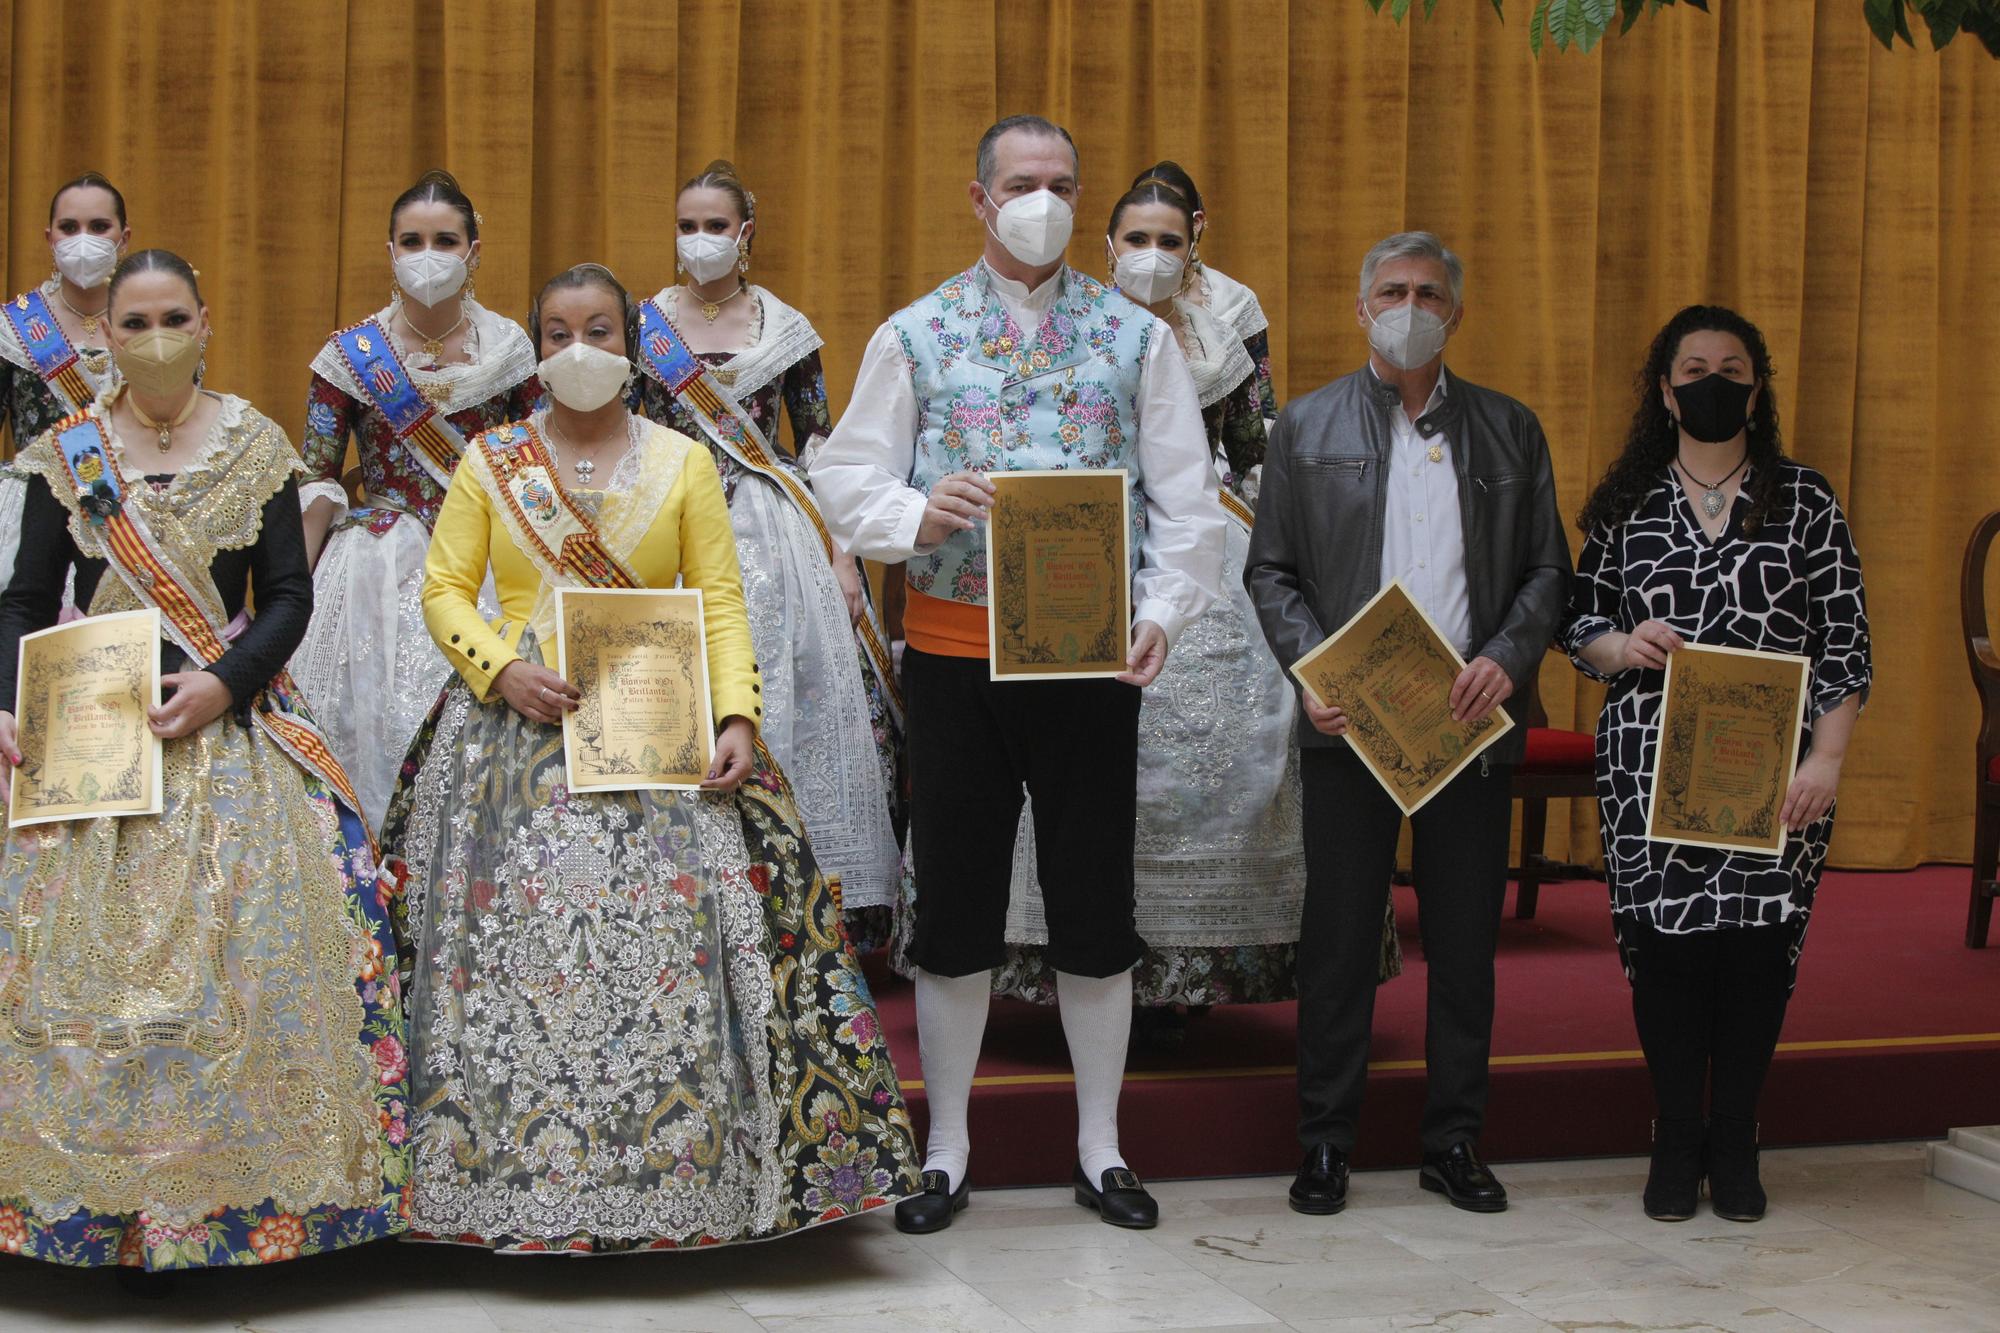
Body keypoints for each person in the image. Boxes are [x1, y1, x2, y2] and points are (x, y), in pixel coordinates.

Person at [376, 263, 917, 1252]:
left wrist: (739, 717)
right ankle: (494, 1184)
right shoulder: (490, 459)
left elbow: (716, 600)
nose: (575, 350)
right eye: (553, 333)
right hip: (511, 741)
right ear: (533, 351)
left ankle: (681, 1182)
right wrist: (499, 669)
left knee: (666, 955)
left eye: (596, 330)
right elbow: (444, 590)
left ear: (631, 346)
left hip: (658, 733)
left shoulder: (681, 461)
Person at [811, 114, 1225, 1233]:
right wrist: (912, 507)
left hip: (1088, 663)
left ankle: (1101, 1145)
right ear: (979, 197)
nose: (1039, 199)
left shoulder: (1136, 338)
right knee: (955, 903)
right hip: (953, 655)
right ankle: (945, 1145)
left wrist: (1161, 612)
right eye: (1019, 182)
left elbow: (1186, 503)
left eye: (1058, 183)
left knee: (1095, 902)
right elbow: (843, 472)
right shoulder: (915, 334)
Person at [0, 251, 406, 1276]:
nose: (153, 338)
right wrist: (11, 699)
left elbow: (285, 596)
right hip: (92, 738)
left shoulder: (256, 446)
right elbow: (20, 598)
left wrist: (226, 683)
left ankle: (251, 1202)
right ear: (110, 337)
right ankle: (75, 1209)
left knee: (258, 953)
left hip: (229, 728)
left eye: (171, 316)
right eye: (131, 323)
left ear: (206, 320)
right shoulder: (67, 452)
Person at [997, 175, 1401, 1024]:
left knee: (1245, 727)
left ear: (1195, 248)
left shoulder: (1225, 334)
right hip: (1087, 546)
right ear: (1106, 249)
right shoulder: (1075, 324)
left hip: (1205, 541)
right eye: (1135, 241)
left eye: (1168, 242)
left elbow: (1259, 443)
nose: (1151, 256)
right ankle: (1061, 951)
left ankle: (1213, 957)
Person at [1245, 230, 1569, 1216]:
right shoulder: (1302, 428)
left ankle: (1453, 1141)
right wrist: (1310, 669)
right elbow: (1269, 571)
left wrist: (1505, 660)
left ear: (1455, 312)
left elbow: (1548, 570)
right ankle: (1324, 1145)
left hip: (1465, 726)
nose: (1409, 303)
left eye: (1428, 291)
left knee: (1464, 943)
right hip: (1348, 725)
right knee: (1339, 939)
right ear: (1359, 308)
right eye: (1390, 288)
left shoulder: (1510, 430)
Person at [1559, 305, 1869, 1224]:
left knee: (1756, 957)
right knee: (1667, 956)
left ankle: (1736, 1134)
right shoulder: (1626, 502)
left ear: (1757, 386)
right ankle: (1675, 1132)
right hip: (1649, 769)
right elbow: (1576, 622)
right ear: (1665, 388)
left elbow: (1846, 645)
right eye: (1694, 367)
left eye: (1732, 367)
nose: (1712, 381)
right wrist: (1623, 645)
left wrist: (1828, 758)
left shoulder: (1805, 498)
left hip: (1777, 780)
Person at [633, 160, 902, 938]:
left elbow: (822, 448)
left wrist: (843, 557)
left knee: (795, 697)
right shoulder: (644, 324)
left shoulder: (786, 330)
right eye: (687, 226)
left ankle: (801, 895)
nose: (700, 239)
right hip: (673, 518)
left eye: (715, 226)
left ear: (745, 234)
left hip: (773, 529)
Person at [291, 169, 543, 833]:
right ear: (391, 252)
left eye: (444, 239)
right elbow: (317, 476)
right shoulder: (349, 356)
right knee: (369, 728)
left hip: (488, 556)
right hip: (375, 563)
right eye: (412, 240)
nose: (427, 254)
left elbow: (538, 464)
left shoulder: (513, 349)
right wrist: (292, 590)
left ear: (474, 249)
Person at [0, 173, 131, 597]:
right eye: (69, 228)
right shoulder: (13, 331)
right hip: (30, 516)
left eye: (98, 227)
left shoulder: (156, 325)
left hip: (132, 515)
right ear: (49, 237)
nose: (83, 239)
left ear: (123, 238)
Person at [1126, 161, 1277, 431]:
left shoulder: (1235, 302)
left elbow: (1260, 411)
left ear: (1196, 223)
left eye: (1172, 209)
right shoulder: (1097, 308)